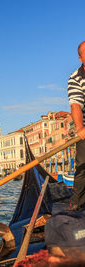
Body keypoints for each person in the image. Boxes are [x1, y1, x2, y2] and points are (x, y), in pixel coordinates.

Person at [68, 41, 85, 210]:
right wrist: (80, 129)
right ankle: (76, 204)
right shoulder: (75, 78)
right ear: (81, 58)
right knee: (82, 164)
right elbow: (75, 105)